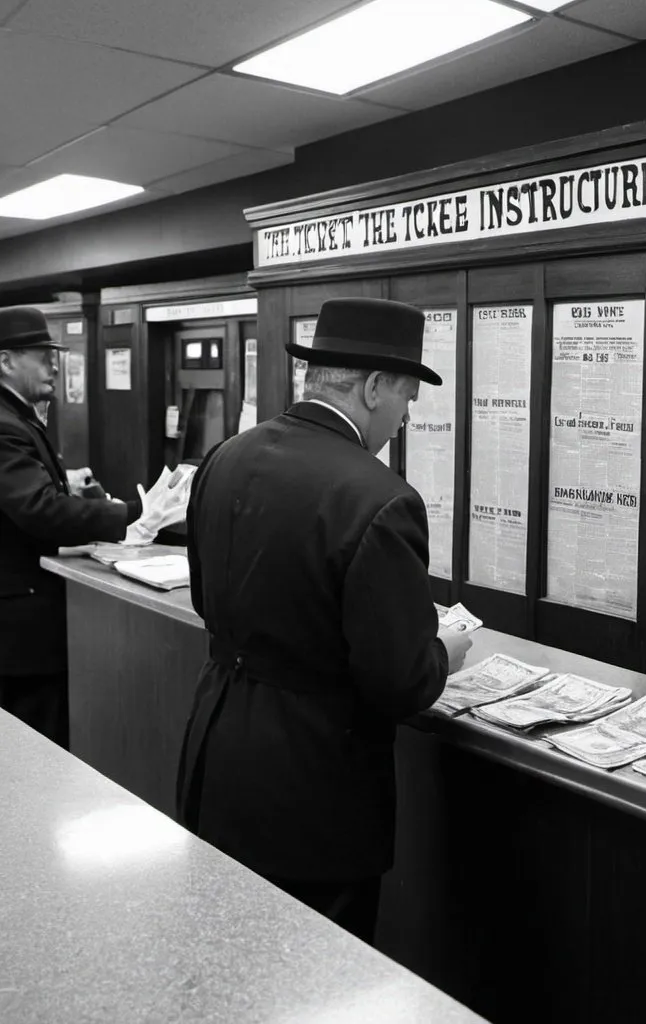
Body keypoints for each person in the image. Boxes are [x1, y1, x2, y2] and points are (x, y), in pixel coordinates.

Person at [177, 297, 472, 944]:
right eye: (405, 398)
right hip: (314, 790)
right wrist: (444, 649)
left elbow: (206, 598)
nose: (404, 417)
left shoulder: (225, 457)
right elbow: (398, 682)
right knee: (315, 978)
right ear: (372, 387)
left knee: (230, 952)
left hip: (216, 753)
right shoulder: (380, 497)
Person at [0, 306, 177, 747]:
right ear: (5, 361)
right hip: (21, 630)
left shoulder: (18, 417)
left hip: (26, 626)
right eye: (42, 355)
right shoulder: (5, 426)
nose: (55, 364)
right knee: (35, 746)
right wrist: (133, 514)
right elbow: (39, 509)